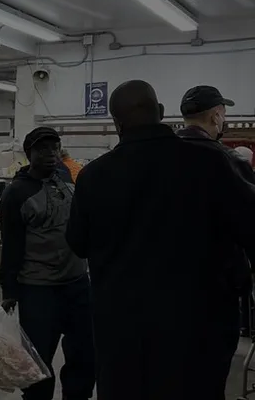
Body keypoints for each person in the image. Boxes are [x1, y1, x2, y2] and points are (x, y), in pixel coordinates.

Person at [66, 80, 255, 400]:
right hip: (197, 328)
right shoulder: (210, 163)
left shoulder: (93, 176)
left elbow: (78, 244)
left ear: (116, 123)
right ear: (162, 113)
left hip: (122, 331)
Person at [0, 126, 95, 400]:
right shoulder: (16, 193)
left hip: (77, 283)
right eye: (42, 149)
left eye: (55, 147)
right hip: (39, 289)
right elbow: (11, 244)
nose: (51, 153)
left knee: (85, 353)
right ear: (29, 153)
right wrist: (9, 290)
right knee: (37, 362)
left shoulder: (66, 177)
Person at [176, 86, 255, 338]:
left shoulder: (158, 157)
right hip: (214, 289)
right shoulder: (229, 161)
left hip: (165, 285)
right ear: (215, 116)